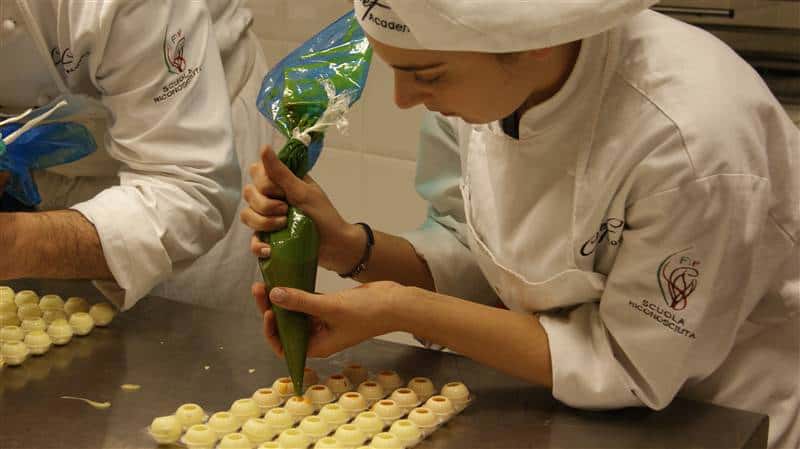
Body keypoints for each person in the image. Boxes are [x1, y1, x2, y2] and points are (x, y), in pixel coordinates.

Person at [241, 1, 799, 447]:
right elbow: (481, 260)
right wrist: (350, 248)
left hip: (716, 414)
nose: (405, 100)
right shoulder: (481, 89)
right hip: (562, 409)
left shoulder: (690, 141)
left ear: (536, 44)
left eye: (425, 75)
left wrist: (400, 308)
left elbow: (628, 365)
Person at [0, 0, 271, 312]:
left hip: (183, 147)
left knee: (175, 331)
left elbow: (190, 191)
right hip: (51, 150)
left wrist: (16, 243)